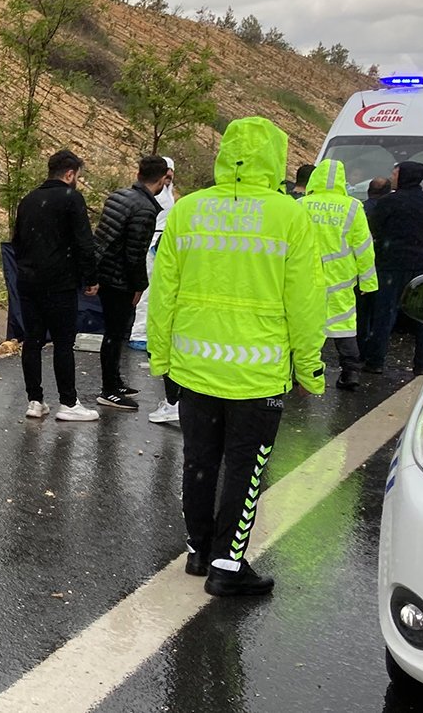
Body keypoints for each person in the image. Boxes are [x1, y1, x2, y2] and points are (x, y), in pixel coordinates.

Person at [148, 116, 325, 597]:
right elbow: (305, 302)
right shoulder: (290, 216)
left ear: (225, 154)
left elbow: (163, 292)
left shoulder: (187, 211)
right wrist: (310, 367)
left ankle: (198, 551)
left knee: (199, 460)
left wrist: (161, 358)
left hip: (195, 365)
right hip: (258, 373)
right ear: (276, 157)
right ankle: (229, 565)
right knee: (246, 466)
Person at [12, 149, 100, 422]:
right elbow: (85, 243)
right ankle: (68, 402)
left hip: (27, 282)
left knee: (32, 341)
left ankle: (35, 401)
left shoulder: (28, 200)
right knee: (63, 342)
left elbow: (17, 241)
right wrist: (91, 278)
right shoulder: (71, 199)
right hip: (59, 283)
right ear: (70, 174)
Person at [92, 155, 167, 411]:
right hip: (119, 280)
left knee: (114, 333)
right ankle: (109, 390)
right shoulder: (145, 210)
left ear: (138, 173)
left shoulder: (118, 196)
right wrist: (139, 285)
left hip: (105, 271)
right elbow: (135, 253)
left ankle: (114, 381)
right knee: (114, 335)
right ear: (162, 179)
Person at [298, 159, 378, 390]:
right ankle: (350, 372)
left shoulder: (302, 204)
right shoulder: (353, 206)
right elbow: (363, 247)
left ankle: (301, 373)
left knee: (304, 326)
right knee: (344, 326)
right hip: (340, 278)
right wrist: (368, 282)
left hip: (305, 276)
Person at [363, 161, 423, 375]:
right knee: (422, 317)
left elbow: (373, 229)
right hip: (422, 266)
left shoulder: (388, 202)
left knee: (384, 315)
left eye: (395, 173)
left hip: (390, 266)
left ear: (404, 176)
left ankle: (375, 361)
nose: (392, 176)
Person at [129, 157, 175, 352]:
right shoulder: (157, 195)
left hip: (159, 241)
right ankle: (139, 333)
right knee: (146, 291)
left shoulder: (166, 193)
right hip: (152, 243)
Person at [357, 176, 392, 358]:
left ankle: (361, 348)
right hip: (384, 265)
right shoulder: (391, 209)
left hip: (360, 266)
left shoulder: (359, 208)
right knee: (380, 309)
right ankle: (373, 351)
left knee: (362, 312)